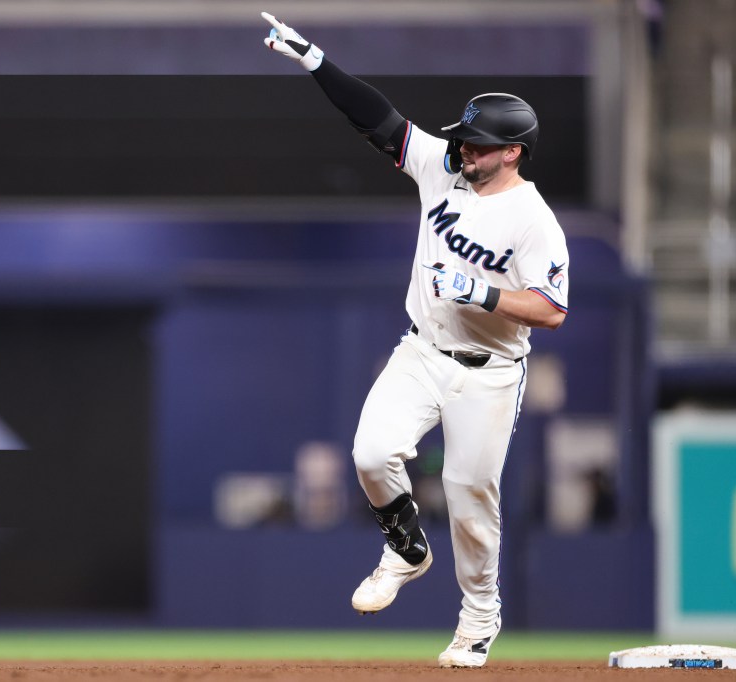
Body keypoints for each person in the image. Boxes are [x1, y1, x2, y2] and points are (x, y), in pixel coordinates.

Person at [261, 13, 570, 668]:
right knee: (371, 455)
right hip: (423, 349)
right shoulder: (442, 168)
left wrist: (481, 291)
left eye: (481, 145)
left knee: (468, 496)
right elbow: (377, 119)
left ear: (512, 152)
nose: (466, 150)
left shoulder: (534, 219)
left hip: (490, 372)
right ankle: (406, 550)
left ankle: (479, 618)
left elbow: (549, 310)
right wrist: (315, 59)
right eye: (465, 140)